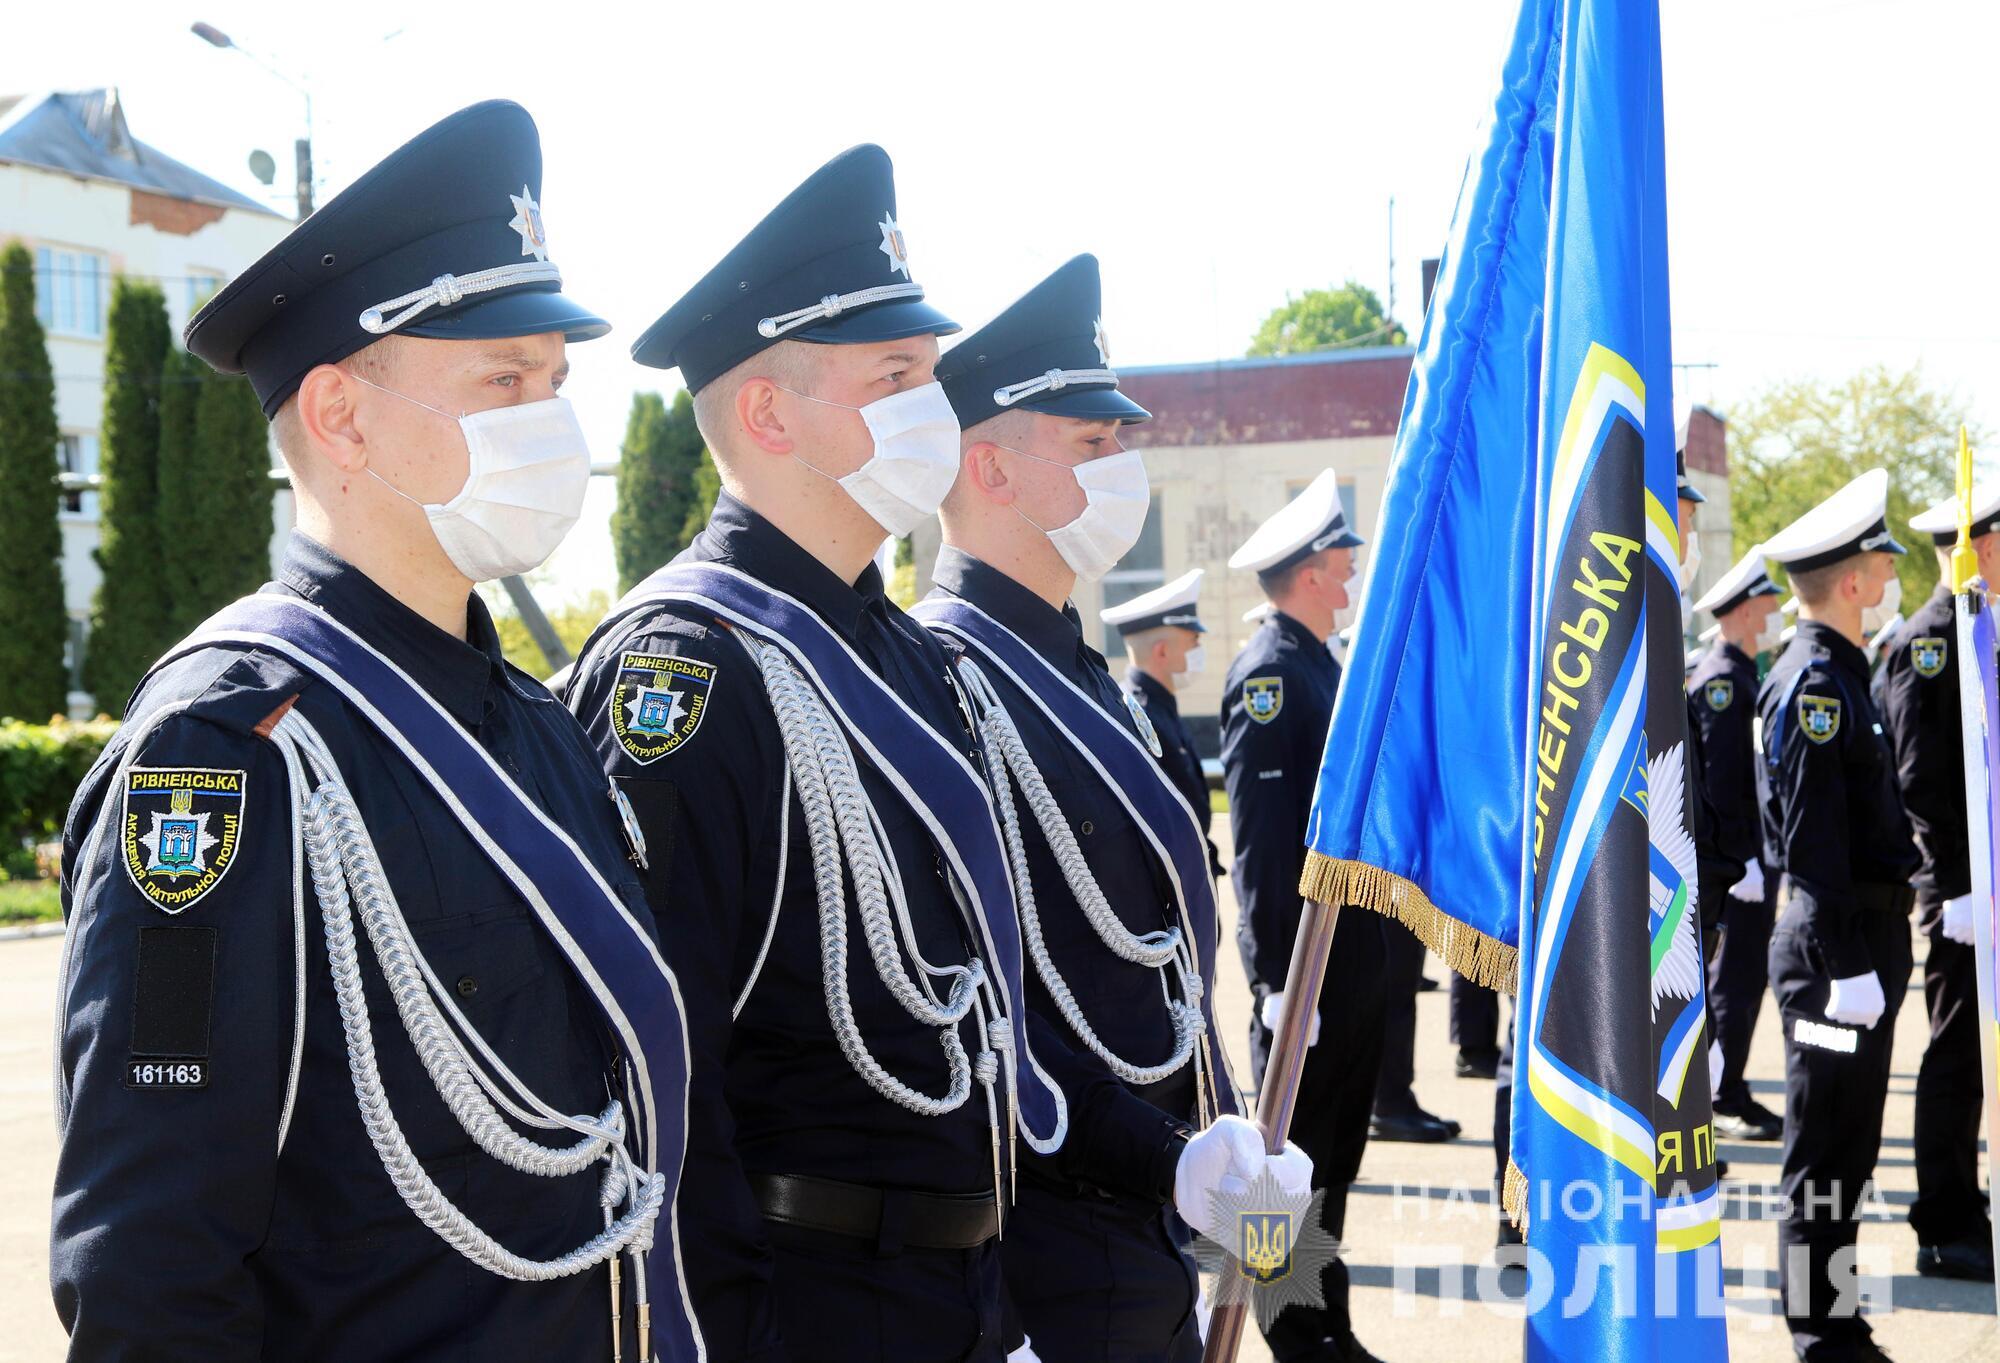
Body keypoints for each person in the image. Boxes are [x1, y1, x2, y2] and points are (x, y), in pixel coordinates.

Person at [562, 151, 1291, 1363]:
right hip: (814, 1307)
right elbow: (663, 1088)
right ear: (767, 413)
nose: (931, 411)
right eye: (896, 377)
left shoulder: (907, 663)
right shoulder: (688, 671)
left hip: (975, 1289)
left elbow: (987, 1025)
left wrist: (1163, 1174)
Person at [50, 101, 702, 1361]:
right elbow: (152, 1256)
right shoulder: (227, 751)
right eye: (502, 380)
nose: (548, 419)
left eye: (554, 383)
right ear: (341, 416)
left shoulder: (535, 724)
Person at [915, 253, 1295, 1361]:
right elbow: (976, 1005)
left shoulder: (1077, 672)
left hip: (1147, 1222)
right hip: (1049, 1242)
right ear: (989, 466)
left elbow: (1158, 968)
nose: (1123, 465)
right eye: (1091, 443)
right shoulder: (938, 682)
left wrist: (1223, 1166)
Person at [1222, 470, 1389, 1363]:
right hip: (1306, 972)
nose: (1354, 569)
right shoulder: (1272, 677)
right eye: (1343, 557)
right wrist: (1274, 980)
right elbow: (1260, 844)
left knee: (1331, 1159)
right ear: (1312, 571)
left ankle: (1328, 1320)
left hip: (1350, 959)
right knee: (1285, 1170)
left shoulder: (1321, 665)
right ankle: (1289, 1330)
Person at [1757, 469, 1919, 1363]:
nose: (1893, 574)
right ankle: (1818, 1330)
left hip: (1862, 938)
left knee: (1851, 1146)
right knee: (1823, 1148)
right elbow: (1813, 841)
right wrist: (1847, 963)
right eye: (1883, 563)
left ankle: (1839, 1316)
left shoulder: (1843, 676)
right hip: (1836, 951)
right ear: (1853, 581)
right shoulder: (1817, 685)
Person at [1874, 485, 2000, 1282]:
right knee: (1956, 1049)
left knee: (1982, 1052)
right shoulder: (1931, 641)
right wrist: (1955, 885)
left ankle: (1967, 1200)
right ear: (1977, 547)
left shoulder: (1978, 629)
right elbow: (1921, 778)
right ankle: (1945, 1223)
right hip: (1961, 893)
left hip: (1988, 881)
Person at [1689, 548, 1787, 1142]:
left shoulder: (1741, 673)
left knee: (1746, 980)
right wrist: (1742, 858)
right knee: (1734, 981)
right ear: (1746, 612)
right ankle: (1720, 1095)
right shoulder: (1724, 681)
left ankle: (1730, 1087)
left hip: (1751, 857)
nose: (1777, 611)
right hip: (1738, 863)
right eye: (1769, 602)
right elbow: (1722, 781)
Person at [1103, 568, 1225, 877]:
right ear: (1162, 651)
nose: (1199, 651)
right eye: (1193, 641)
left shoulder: (1157, 706)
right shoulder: (1138, 715)